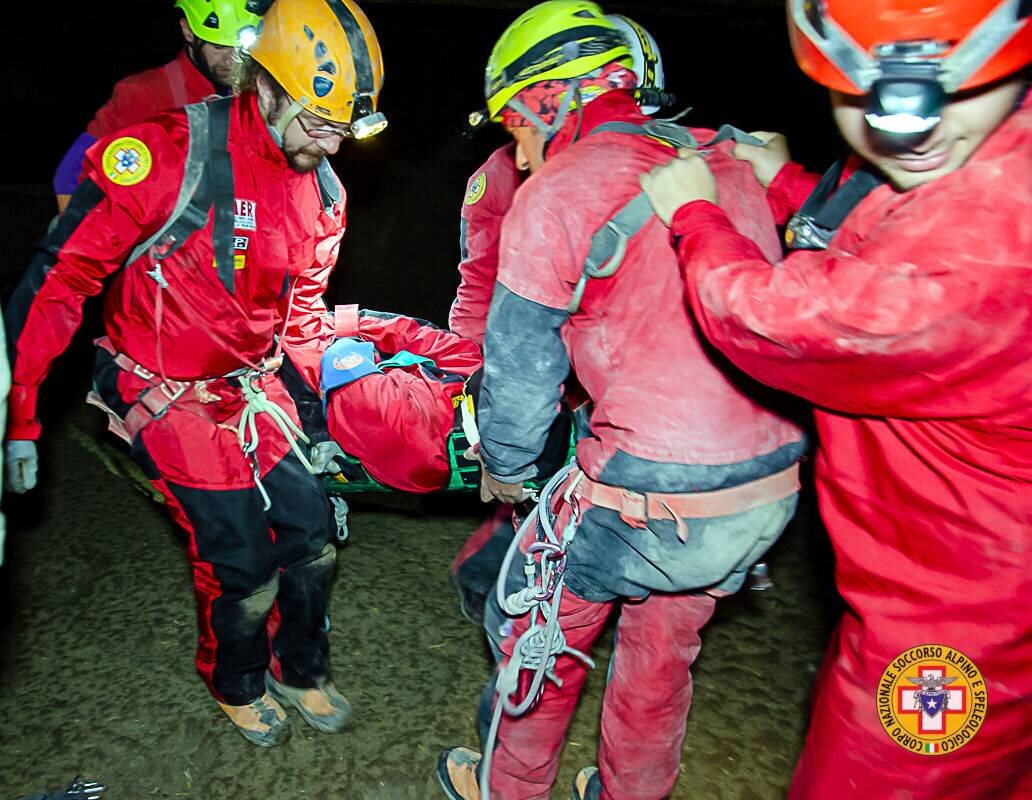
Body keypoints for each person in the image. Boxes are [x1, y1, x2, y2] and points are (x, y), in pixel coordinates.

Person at [640, 1, 1031, 797]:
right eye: (870, 97)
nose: (913, 129)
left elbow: (768, 319)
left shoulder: (977, 260)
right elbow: (897, 223)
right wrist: (785, 184)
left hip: (959, 624)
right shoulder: (1000, 152)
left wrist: (696, 213)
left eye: (950, 91)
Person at [436, 3, 807, 798]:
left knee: (536, 639)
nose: (518, 151)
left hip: (645, 494)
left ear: (547, 99)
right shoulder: (726, 158)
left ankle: (508, 788)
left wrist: (503, 466)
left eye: (516, 124)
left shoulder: (561, 189)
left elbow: (521, 368)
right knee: (661, 656)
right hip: (765, 490)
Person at [4, 0, 388, 747]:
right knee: (242, 557)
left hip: (250, 384)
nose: (329, 142)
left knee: (312, 535)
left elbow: (303, 318)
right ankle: (235, 679)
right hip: (164, 388)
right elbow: (59, 279)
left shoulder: (325, 191)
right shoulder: (169, 152)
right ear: (266, 86)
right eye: (316, 120)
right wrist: (16, 416)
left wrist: (325, 418)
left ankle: (297, 666)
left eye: (344, 129)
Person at [448, 12, 671, 623]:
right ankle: (495, 587)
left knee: (570, 492)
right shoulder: (503, 175)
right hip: (531, 363)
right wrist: (477, 368)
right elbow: (480, 280)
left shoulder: (653, 164)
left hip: (602, 378)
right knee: (531, 487)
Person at [53, 0, 263, 212]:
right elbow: (70, 176)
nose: (233, 59)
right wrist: (87, 240)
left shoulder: (257, 97)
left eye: (241, 48)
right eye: (219, 47)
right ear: (188, 31)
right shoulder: (144, 93)